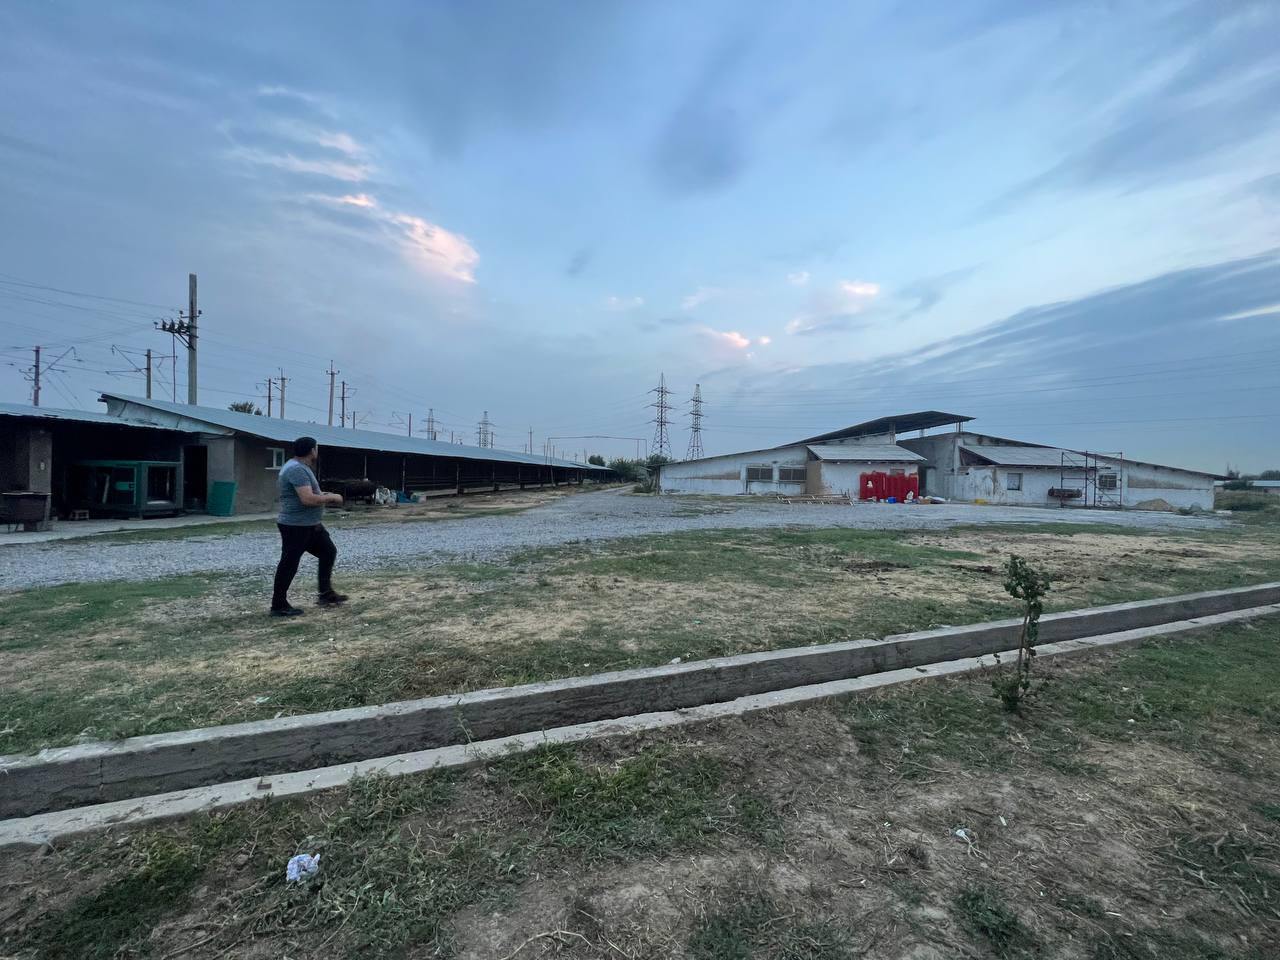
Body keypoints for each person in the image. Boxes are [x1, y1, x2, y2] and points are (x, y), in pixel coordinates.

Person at [271, 436, 348, 616]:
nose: (317, 451)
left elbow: (311, 493)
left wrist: (325, 494)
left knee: (328, 551)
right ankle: (278, 605)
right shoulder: (297, 469)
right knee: (289, 563)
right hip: (296, 526)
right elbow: (307, 499)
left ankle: (325, 594)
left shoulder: (299, 467)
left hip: (310, 525)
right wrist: (332, 497)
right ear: (312, 450)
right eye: (316, 448)